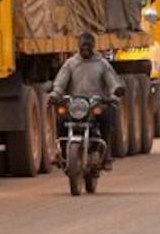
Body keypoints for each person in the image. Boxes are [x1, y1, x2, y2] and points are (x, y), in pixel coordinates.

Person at [50, 32, 126, 169]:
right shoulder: (71, 64)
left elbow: (113, 82)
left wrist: (115, 92)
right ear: (78, 46)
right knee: (61, 119)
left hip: (96, 104)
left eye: (88, 46)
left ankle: (106, 154)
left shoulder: (102, 64)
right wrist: (55, 94)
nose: (85, 49)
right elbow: (60, 83)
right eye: (83, 46)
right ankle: (61, 153)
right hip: (75, 105)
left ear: (93, 46)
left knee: (106, 117)